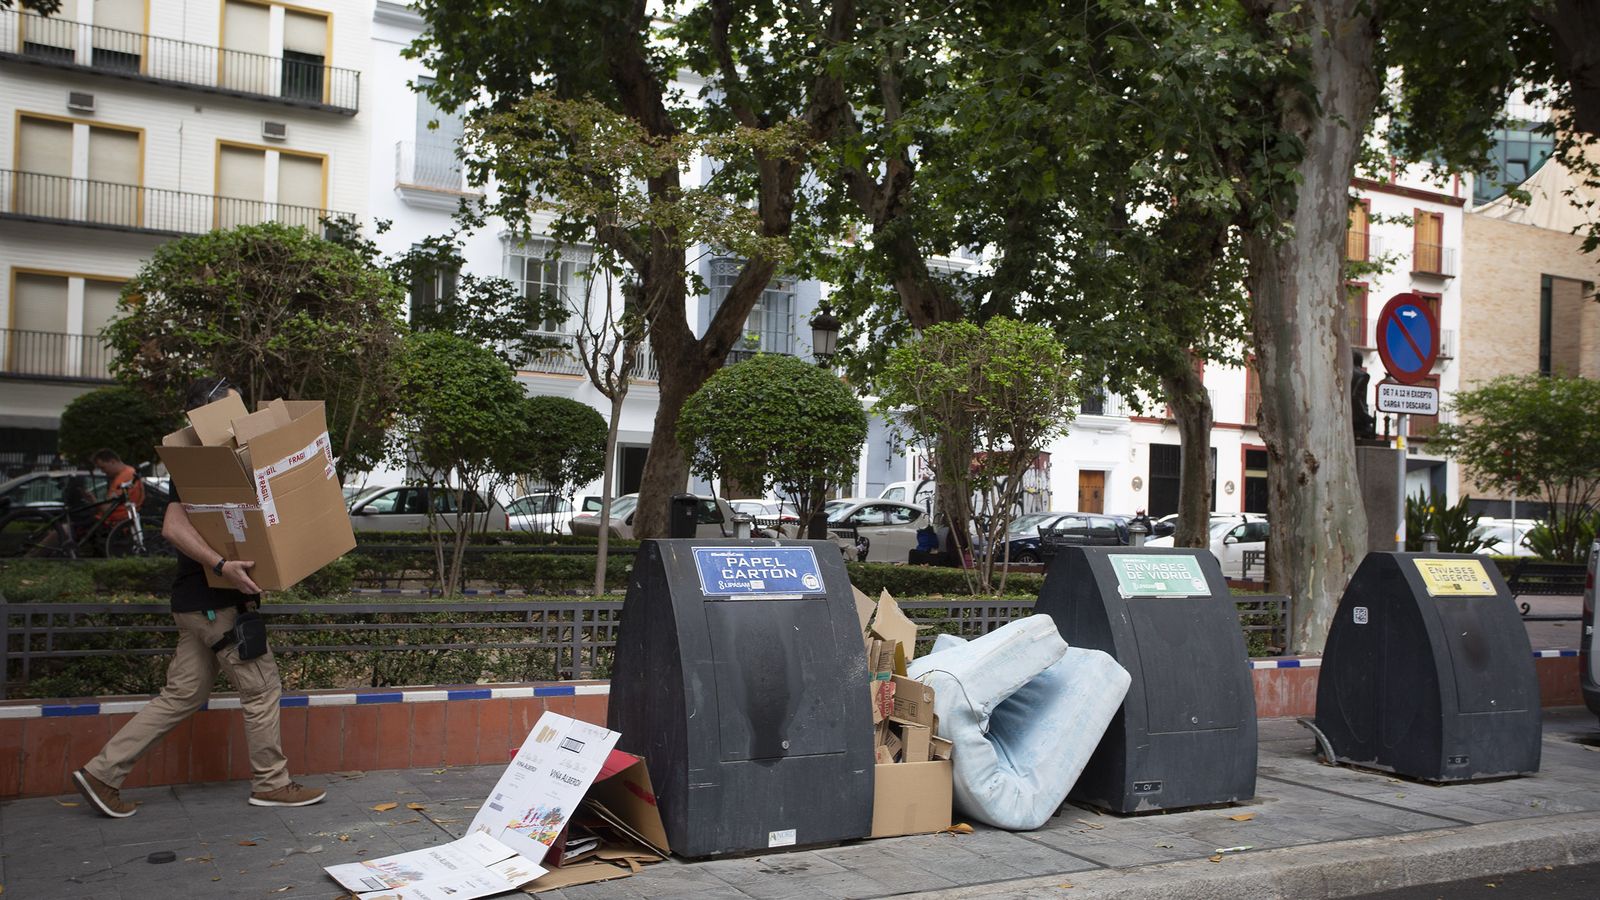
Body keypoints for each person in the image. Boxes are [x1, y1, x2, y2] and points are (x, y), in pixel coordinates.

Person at [73, 377, 326, 818]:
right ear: (209, 413)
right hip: (214, 604)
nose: (242, 417)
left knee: (182, 695)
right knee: (262, 687)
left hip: (197, 606)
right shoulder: (197, 464)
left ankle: (101, 773)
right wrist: (221, 565)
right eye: (234, 408)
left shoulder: (216, 461)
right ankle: (272, 783)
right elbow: (173, 528)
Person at [89, 448, 144, 525]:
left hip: (115, 522)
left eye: (103, 467)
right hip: (118, 521)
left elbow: (107, 509)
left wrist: (93, 500)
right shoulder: (128, 473)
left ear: (112, 462)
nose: (103, 471)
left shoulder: (124, 477)